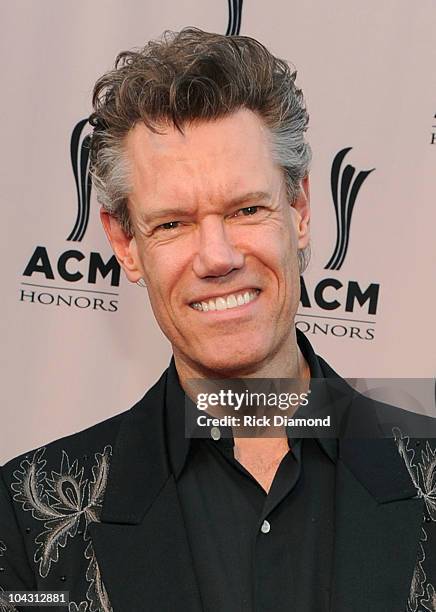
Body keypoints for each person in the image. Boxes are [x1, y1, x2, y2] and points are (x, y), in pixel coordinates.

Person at [1, 28, 435, 612]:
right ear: (125, 243)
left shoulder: (426, 473)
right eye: (174, 223)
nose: (218, 257)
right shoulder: (32, 512)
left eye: (247, 209)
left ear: (300, 210)